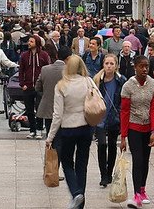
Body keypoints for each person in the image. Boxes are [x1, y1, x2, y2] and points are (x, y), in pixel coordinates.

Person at [45, 55, 94, 209]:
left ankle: (76, 193)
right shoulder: (88, 81)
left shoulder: (61, 85)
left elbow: (57, 115)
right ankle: (80, 202)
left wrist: (50, 136)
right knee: (82, 163)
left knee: (67, 162)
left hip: (69, 129)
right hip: (86, 127)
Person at [120, 55, 154, 207]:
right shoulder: (128, 86)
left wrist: (153, 131)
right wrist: (123, 136)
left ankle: (143, 189)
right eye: (141, 66)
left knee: (145, 160)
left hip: (148, 127)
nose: (144, 69)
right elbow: (124, 111)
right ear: (135, 67)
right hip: (133, 127)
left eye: (147, 66)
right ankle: (136, 193)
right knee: (138, 160)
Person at [94, 53, 125, 188]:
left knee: (112, 145)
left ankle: (109, 172)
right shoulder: (97, 80)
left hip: (114, 117)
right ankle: (103, 175)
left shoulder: (121, 80)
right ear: (103, 65)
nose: (109, 66)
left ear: (116, 66)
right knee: (101, 145)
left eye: (112, 64)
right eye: (107, 63)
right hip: (100, 117)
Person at [19, 34, 51, 139]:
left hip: (40, 87)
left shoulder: (44, 55)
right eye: (29, 41)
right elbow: (21, 71)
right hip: (27, 86)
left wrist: (45, 84)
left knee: (39, 109)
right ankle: (32, 129)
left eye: (31, 41)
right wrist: (22, 83)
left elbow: (48, 69)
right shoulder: (24, 55)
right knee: (29, 109)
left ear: (37, 43)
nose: (29, 43)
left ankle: (39, 129)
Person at [34, 46, 69, 137]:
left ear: (57, 56)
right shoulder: (70, 71)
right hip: (65, 109)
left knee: (50, 135)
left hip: (48, 108)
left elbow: (37, 87)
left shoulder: (45, 69)